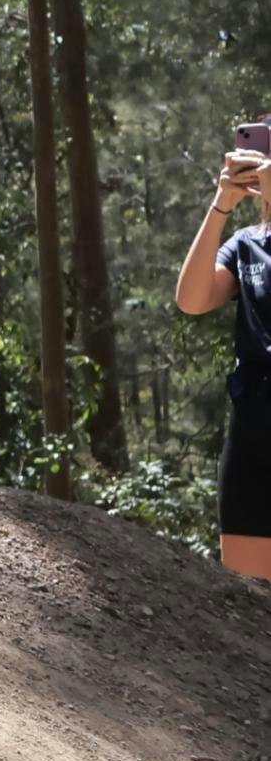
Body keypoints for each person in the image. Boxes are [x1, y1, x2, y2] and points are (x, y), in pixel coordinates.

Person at [173, 118, 271, 582]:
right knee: (250, 601)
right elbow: (192, 300)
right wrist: (222, 205)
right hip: (253, 431)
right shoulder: (248, 245)